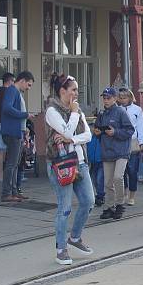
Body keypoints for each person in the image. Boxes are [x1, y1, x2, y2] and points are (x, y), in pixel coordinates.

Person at [44, 73, 95, 265]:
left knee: (88, 201)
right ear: (62, 91)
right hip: (61, 164)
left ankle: (74, 237)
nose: (76, 93)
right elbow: (65, 130)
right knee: (64, 208)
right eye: (73, 89)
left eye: (77, 89)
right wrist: (73, 117)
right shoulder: (52, 110)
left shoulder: (77, 110)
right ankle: (61, 249)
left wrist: (71, 139)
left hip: (80, 162)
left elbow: (88, 135)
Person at [96, 87, 134, 220]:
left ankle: (119, 204)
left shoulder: (120, 112)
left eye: (108, 98)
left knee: (118, 177)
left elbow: (130, 130)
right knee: (108, 182)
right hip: (107, 150)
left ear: (115, 98)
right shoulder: (102, 113)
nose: (105, 101)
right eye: (104, 98)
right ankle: (108, 206)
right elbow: (97, 127)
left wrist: (115, 132)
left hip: (121, 150)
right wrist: (98, 132)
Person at [0, 71, 34, 203]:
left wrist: (24, 128)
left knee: (15, 164)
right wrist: (25, 115)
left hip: (17, 132)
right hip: (12, 132)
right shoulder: (12, 91)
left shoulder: (16, 93)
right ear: (23, 80)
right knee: (11, 164)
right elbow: (6, 108)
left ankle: (14, 191)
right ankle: (7, 193)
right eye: (29, 85)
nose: (28, 88)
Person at [118, 88, 143, 207]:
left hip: (133, 141)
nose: (122, 100)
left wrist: (141, 141)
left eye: (124, 97)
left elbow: (140, 126)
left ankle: (132, 195)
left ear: (130, 97)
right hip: (120, 141)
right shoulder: (118, 110)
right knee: (121, 170)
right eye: (121, 98)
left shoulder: (137, 110)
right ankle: (123, 193)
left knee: (133, 170)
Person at [0, 73, 15, 182]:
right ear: (9, 81)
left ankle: (0, 175)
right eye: (13, 81)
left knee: (0, 149)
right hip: (6, 123)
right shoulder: (9, 92)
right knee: (10, 149)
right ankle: (8, 176)